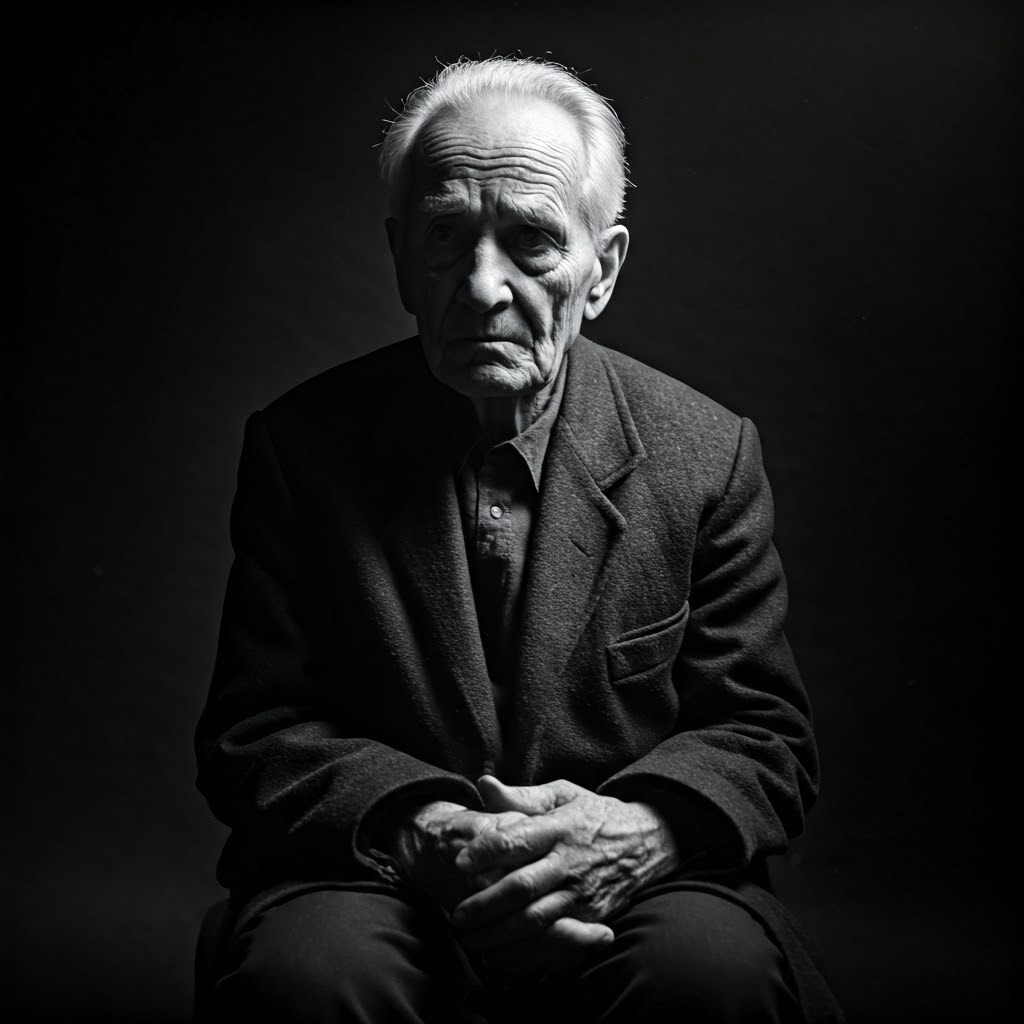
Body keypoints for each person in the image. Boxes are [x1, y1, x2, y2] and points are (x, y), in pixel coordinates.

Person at [194, 56, 842, 1023]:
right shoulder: (300, 449)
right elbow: (255, 737)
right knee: (309, 981)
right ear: (401, 259)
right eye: (446, 236)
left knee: (712, 977)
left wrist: (632, 835)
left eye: (532, 241)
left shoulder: (706, 453)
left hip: (635, 877)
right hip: (379, 876)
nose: (482, 285)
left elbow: (764, 737)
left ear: (602, 270)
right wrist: (431, 832)